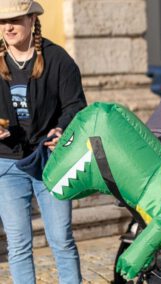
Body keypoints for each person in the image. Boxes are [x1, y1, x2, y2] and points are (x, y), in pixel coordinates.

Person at [0, 1, 86, 283]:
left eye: (14, 19)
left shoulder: (58, 59)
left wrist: (61, 129)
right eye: (2, 21)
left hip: (50, 161)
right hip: (7, 164)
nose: (8, 27)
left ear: (32, 19)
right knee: (19, 244)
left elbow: (75, 106)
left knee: (61, 239)